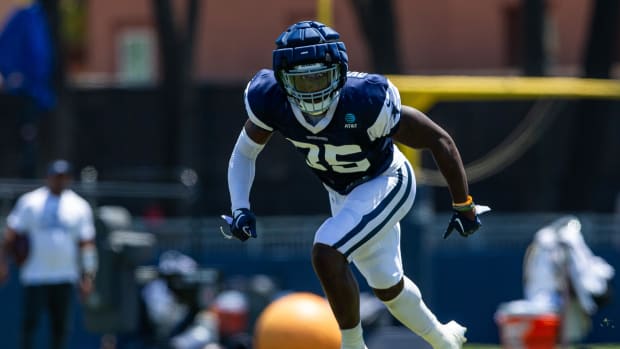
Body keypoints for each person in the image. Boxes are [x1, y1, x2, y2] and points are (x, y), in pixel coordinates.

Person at [222, 20, 486, 349]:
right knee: (388, 288)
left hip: (386, 180)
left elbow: (437, 138)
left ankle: (352, 344)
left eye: (319, 76)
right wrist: (240, 208)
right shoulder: (269, 99)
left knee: (326, 250)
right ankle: (445, 339)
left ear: (340, 72)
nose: (312, 90)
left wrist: (464, 204)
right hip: (342, 193)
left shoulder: (365, 100)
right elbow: (244, 153)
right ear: (282, 80)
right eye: (300, 81)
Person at [0, 159, 98, 349]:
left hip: (64, 275)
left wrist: (89, 276)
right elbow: (11, 235)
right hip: (35, 274)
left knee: (61, 328)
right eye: (55, 177)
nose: (59, 181)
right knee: (30, 326)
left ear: (69, 179)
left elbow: (87, 244)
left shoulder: (79, 206)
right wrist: (2, 263)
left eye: (63, 177)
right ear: (48, 177)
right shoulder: (30, 202)